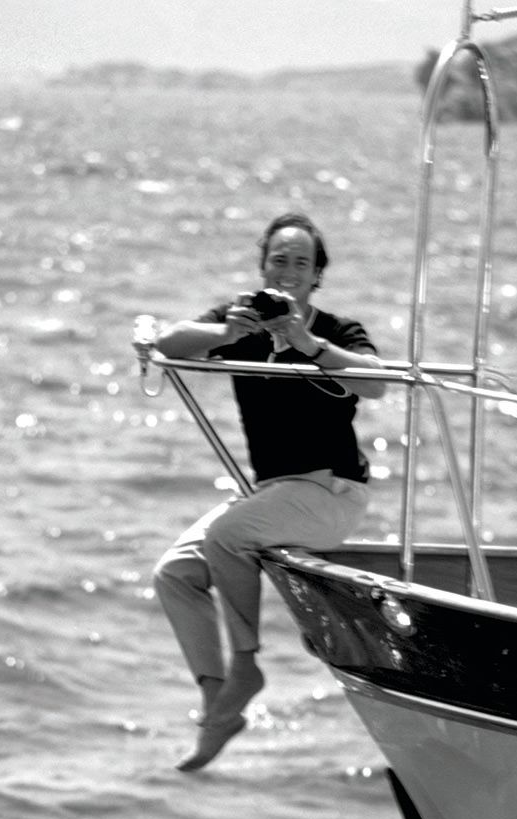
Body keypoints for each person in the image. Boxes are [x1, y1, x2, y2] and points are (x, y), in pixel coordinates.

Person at [152, 212, 386, 771]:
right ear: (262, 267)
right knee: (175, 573)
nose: (287, 271)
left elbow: (376, 381)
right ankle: (218, 705)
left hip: (331, 495)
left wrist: (306, 342)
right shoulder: (244, 322)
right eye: (278, 260)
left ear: (316, 277)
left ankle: (247, 664)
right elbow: (168, 342)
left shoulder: (336, 329)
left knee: (229, 535)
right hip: (275, 494)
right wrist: (228, 334)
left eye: (300, 263)